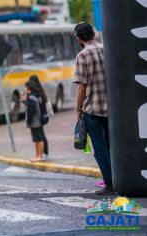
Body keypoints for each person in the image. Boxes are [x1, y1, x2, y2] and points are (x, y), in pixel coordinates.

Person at [73, 22, 113, 195]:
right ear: (94, 33)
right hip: (113, 108)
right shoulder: (108, 49)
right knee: (113, 146)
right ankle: (119, 178)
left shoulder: (82, 56)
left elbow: (82, 87)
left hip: (93, 109)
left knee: (100, 147)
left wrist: (77, 109)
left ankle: (110, 183)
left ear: (79, 38)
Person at [23, 80, 48, 162]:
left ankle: (40, 156)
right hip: (38, 121)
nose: (25, 89)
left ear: (29, 88)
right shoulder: (36, 95)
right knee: (36, 139)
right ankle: (37, 155)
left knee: (38, 139)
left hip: (35, 122)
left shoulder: (31, 98)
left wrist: (28, 121)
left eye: (26, 87)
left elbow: (31, 111)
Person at [29, 75, 50, 160]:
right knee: (41, 136)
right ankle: (44, 154)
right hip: (42, 116)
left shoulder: (36, 92)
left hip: (39, 118)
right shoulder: (40, 90)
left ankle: (45, 154)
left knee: (40, 136)